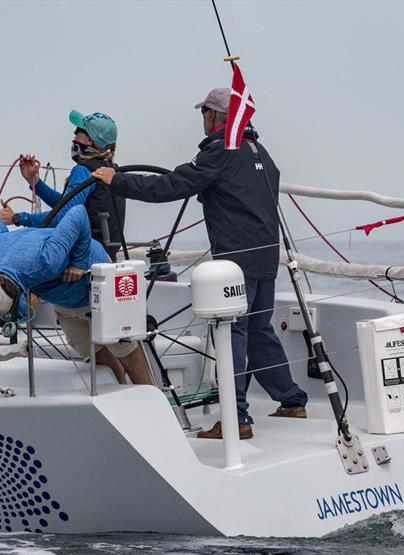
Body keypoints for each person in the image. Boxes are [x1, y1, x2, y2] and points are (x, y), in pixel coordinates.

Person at [92, 87, 307, 439]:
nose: (202, 121)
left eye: (204, 113)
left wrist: (117, 181)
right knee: (258, 330)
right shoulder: (259, 151)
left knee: (232, 334)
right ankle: (292, 400)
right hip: (266, 257)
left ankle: (236, 420)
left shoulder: (220, 151)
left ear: (213, 116)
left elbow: (169, 186)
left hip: (235, 261)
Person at [0, 205, 150, 385]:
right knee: (97, 355)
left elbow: (78, 213)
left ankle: (149, 401)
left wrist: (79, 262)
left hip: (97, 285)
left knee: (126, 353)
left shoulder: (46, 260)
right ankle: (118, 395)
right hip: (65, 302)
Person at [0, 110, 126, 260]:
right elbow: (66, 204)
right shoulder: (112, 172)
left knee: (9, 254)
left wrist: (17, 218)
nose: (74, 136)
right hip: (105, 255)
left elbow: (63, 216)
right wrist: (34, 182)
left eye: (78, 131)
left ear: (90, 140)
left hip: (86, 255)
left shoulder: (84, 170)